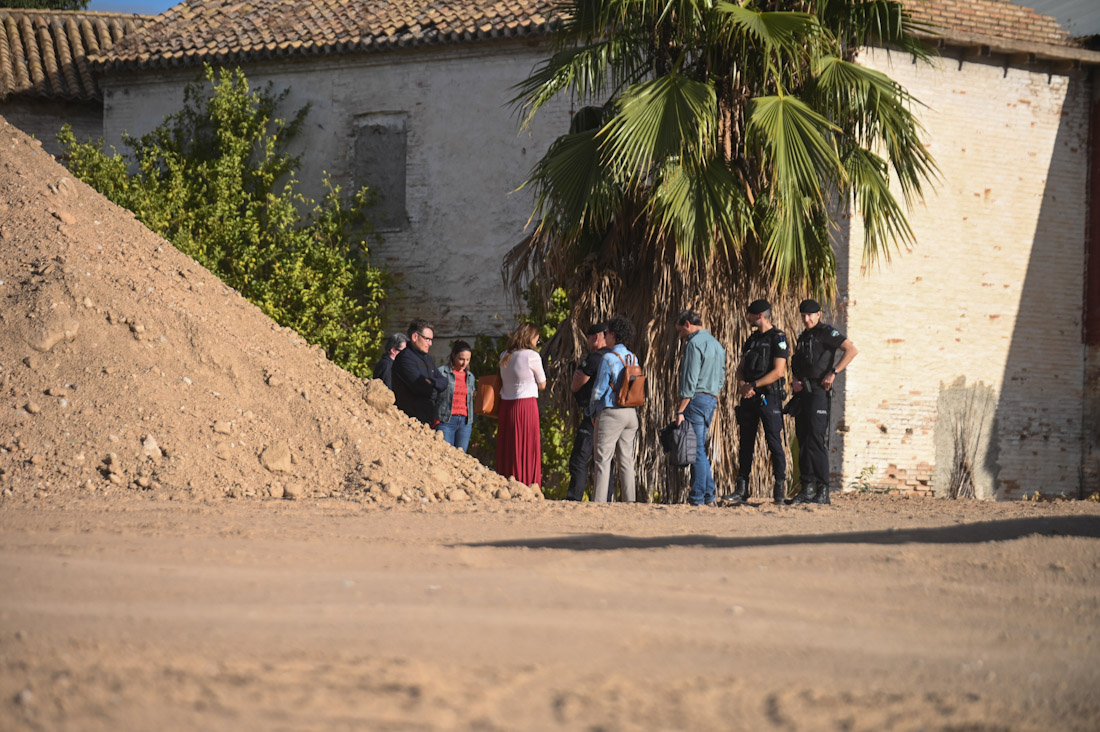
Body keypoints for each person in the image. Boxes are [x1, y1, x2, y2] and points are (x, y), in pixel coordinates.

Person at [788, 299, 858, 505]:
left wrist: (834, 372)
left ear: (819, 314)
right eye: (803, 315)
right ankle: (807, 488)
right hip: (803, 394)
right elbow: (796, 363)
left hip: (819, 392)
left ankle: (823, 490)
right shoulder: (803, 337)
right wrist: (794, 379)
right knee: (803, 439)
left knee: (816, 440)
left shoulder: (827, 332)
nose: (806, 319)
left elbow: (851, 350)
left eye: (810, 315)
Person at [726, 299, 789, 505]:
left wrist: (753, 384)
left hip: (768, 397)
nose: (748, 318)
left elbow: (779, 371)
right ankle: (742, 488)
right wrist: (743, 384)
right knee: (746, 443)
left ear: (760, 316)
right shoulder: (751, 340)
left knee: (773, 442)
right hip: (749, 398)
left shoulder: (778, 338)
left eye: (751, 315)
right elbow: (740, 367)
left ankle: (779, 487)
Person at [673, 310, 727, 506]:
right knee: (700, 450)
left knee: (696, 451)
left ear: (688, 324)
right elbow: (721, 377)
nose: (680, 336)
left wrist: (680, 410)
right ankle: (708, 495)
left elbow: (690, 381)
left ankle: (699, 496)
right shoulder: (717, 345)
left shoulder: (694, 344)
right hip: (711, 399)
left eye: (680, 331)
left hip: (695, 401)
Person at [588, 316, 641, 503]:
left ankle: (599, 503)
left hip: (611, 411)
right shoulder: (632, 357)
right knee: (626, 460)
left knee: (602, 460)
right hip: (630, 413)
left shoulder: (608, 358)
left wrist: (592, 411)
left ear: (613, 335)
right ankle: (630, 502)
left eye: (607, 333)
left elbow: (598, 390)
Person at [496, 323, 546, 487]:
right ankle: (526, 482)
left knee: (509, 445)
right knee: (526, 445)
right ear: (530, 337)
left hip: (507, 406)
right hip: (525, 404)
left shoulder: (505, 355)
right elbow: (542, 383)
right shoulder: (531, 356)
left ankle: (508, 481)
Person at [566, 322, 610, 501]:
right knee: (606, 461)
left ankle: (574, 498)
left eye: (591, 338)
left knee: (579, 458)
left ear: (597, 337)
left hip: (593, 415)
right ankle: (607, 498)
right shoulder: (617, 356)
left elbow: (577, 383)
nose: (589, 342)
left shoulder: (595, 358)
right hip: (612, 414)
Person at [392, 319, 447, 424]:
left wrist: (433, 383)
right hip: (410, 420)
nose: (430, 343)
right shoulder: (405, 358)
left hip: (427, 417)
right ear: (415, 337)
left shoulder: (428, 359)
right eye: (427, 339)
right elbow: (420, 387)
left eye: (431, 340)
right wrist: (435, 389)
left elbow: (444, 381)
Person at [434, 339, 476, 452]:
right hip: (446, 421)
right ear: (453, 356)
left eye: (467, 359)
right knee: (446, 456)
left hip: (465, 423)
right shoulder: (442, 372)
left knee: (461, 459)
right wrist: (436, 419)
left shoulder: (470, 377)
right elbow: (433, 396)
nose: (464, 363)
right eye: (461, 359)